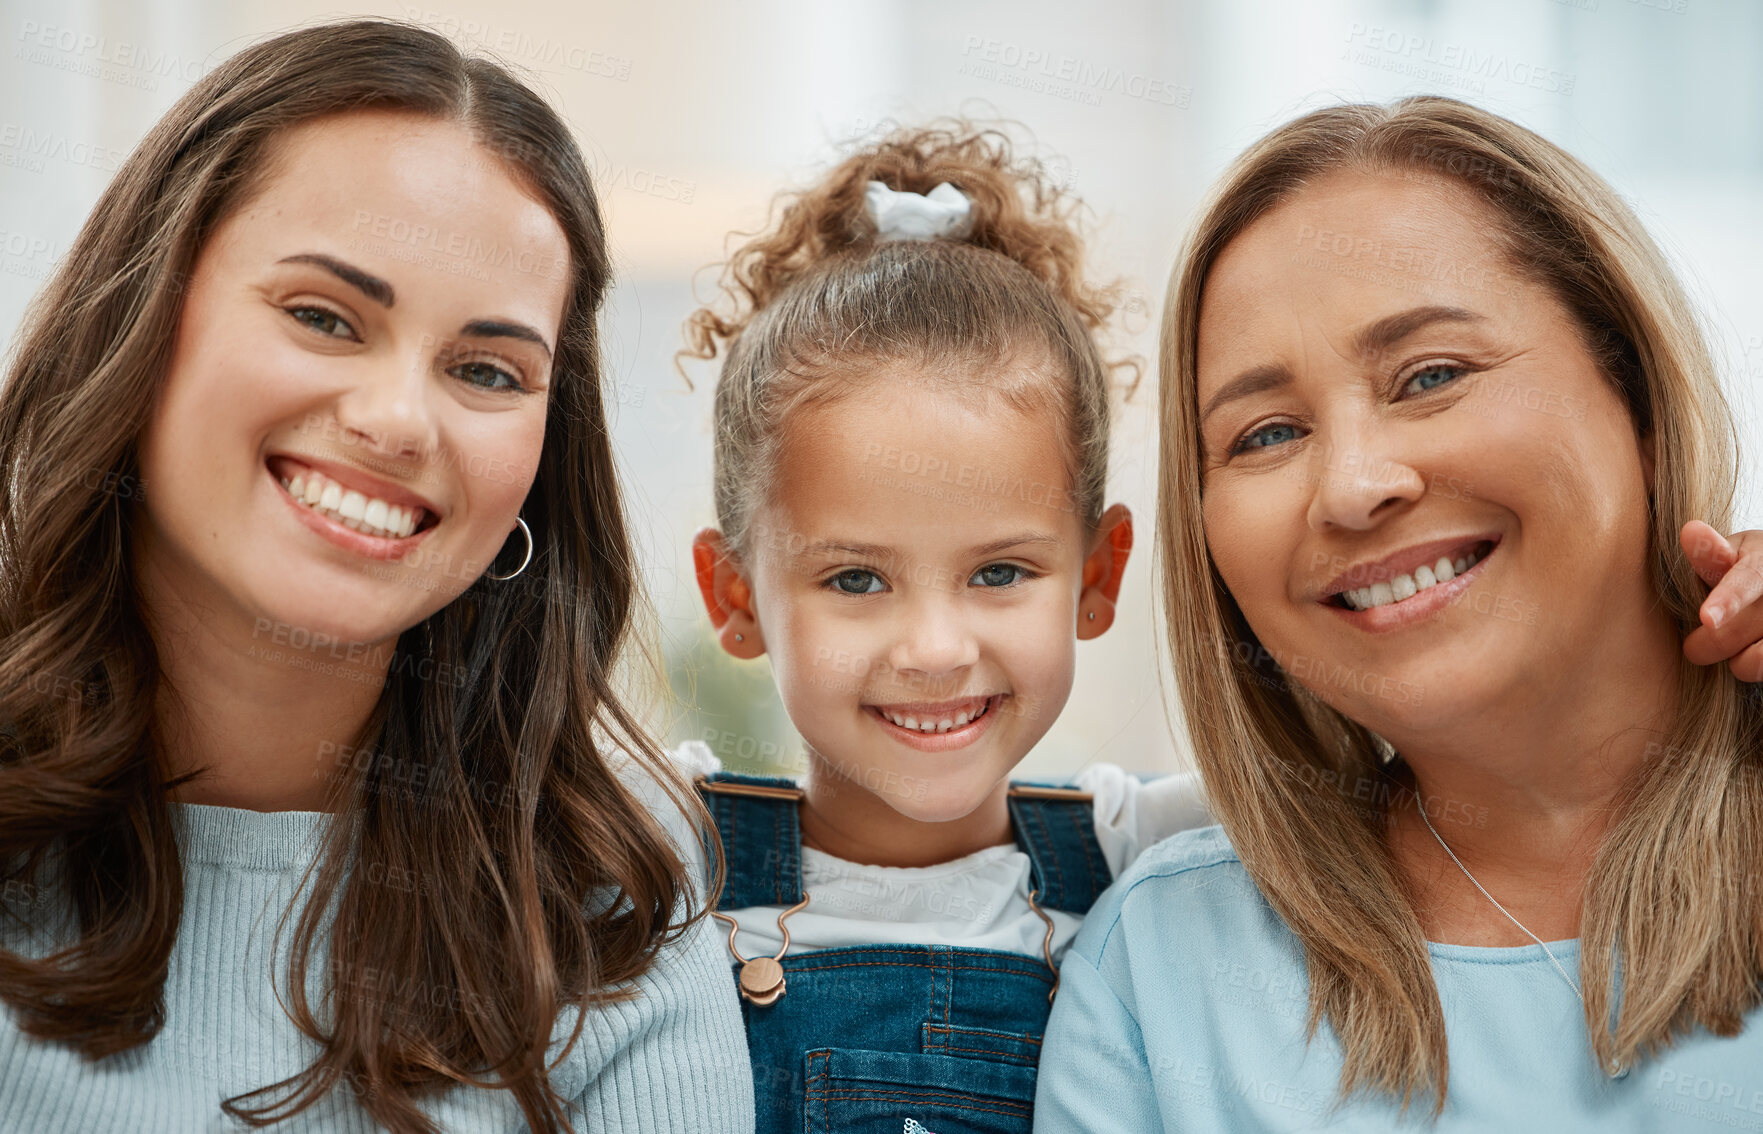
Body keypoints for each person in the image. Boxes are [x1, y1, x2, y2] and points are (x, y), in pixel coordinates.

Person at [0, 20, 751, 1133]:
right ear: (142, 318)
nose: (398, 421)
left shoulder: (616, 887)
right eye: (321, 316)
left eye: (487, 370)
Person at [1033, 95, 1763, 1133]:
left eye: (1429, 376)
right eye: (1264, 435)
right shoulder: (1156, 970)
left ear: (1634, 390)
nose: (1350, 486)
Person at [679, 123, 1211, 1134]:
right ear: (735, 597)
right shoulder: (662, 849)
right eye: (855, 578)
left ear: (1095, 576)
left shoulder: (1135, 846)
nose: (933, 649)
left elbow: (1376, 767)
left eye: (999, 572)